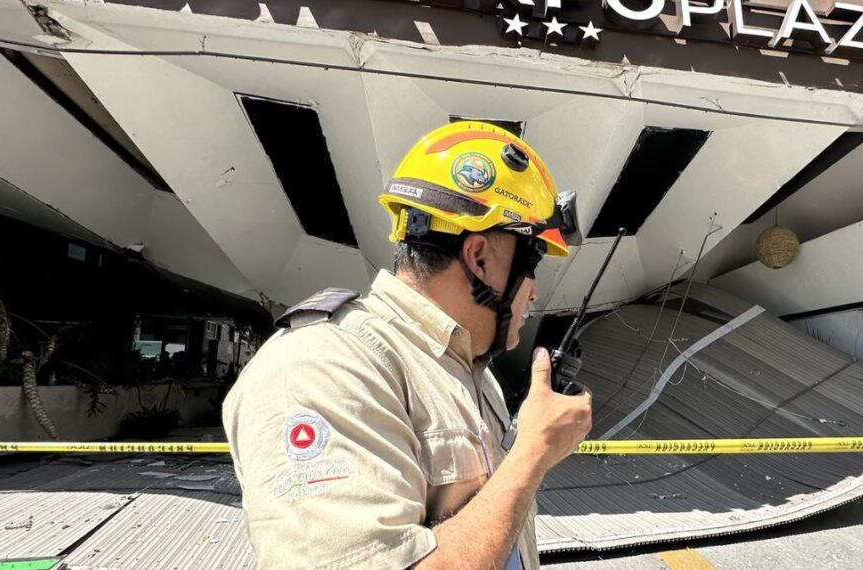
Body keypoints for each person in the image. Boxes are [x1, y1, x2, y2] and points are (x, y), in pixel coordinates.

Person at [223, 121, 592, 569]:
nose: (534, 292)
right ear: (479, 259)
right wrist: (533, 453)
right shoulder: (320, 366)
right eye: (532, 264)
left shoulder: (469, 370)